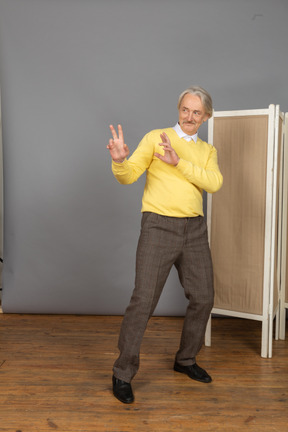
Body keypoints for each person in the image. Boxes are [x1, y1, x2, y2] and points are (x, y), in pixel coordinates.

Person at [107, 86, 223, 404]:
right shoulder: (156, 138)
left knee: (203, 297)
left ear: (206, 117)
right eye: (185, 109)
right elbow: (129, 175)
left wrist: (178, 164)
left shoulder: (207, 151)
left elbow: (214, 183)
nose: (189, 116)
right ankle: (122, 373)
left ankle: (185, 360)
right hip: (158, 226)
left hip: (195, 230)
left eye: (196, 112)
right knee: (143, 301)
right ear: (178, 109)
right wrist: (119, 161)